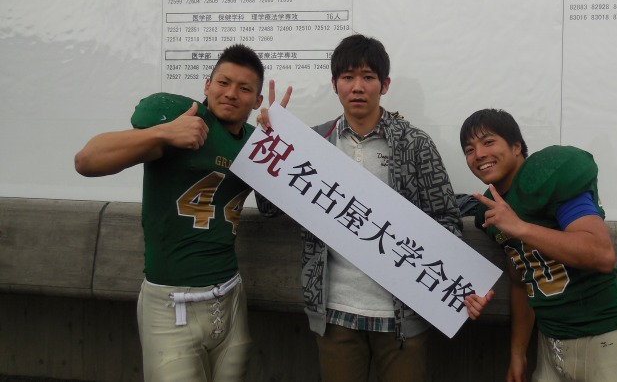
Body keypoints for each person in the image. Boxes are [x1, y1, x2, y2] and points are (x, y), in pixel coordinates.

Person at [74, 44, 291, 382]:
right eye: (223, 82)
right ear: (207, 85)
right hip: (171, 302)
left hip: (231, 300)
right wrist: (161, 132)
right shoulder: (184, 122)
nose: (231, 93)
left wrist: (278, 144)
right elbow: (86, 161)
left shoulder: (254, 142)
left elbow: (273, 207)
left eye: (244, 88)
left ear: (257, 100)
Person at [256, 34, 462, 382]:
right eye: (348, 77)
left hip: (403, 315)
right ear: (334, 83)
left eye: (368, 77)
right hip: (335, 311)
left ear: (385, 84)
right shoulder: (313, 142)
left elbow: (447, 220)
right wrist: (272, 141)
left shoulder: (414, 144)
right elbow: (268, 207)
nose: (357, 87)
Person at [459, 109, 617, 382]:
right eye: (469, 149)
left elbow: (601, 253)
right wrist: (518, 353)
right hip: (550, 344)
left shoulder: (547, 173)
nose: (479, 154)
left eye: (488, 142)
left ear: (516, 146)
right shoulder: (492, 208)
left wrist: (521, 227)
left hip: (605, 337)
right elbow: (522, 283)